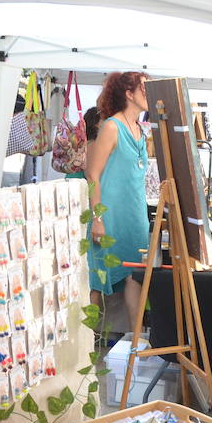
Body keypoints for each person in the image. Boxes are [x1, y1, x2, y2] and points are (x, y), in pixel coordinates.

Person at [85, 71, 151, 312]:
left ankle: (136, 343)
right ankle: (87, 342)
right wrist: (97, 219)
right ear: (129, 94)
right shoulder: (112, 126)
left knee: (135, 276)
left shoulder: (139, 130)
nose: (148, 93)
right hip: (110, 216)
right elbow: (92, 174)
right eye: (144, 88)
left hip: (134, 217)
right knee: (99, 280)